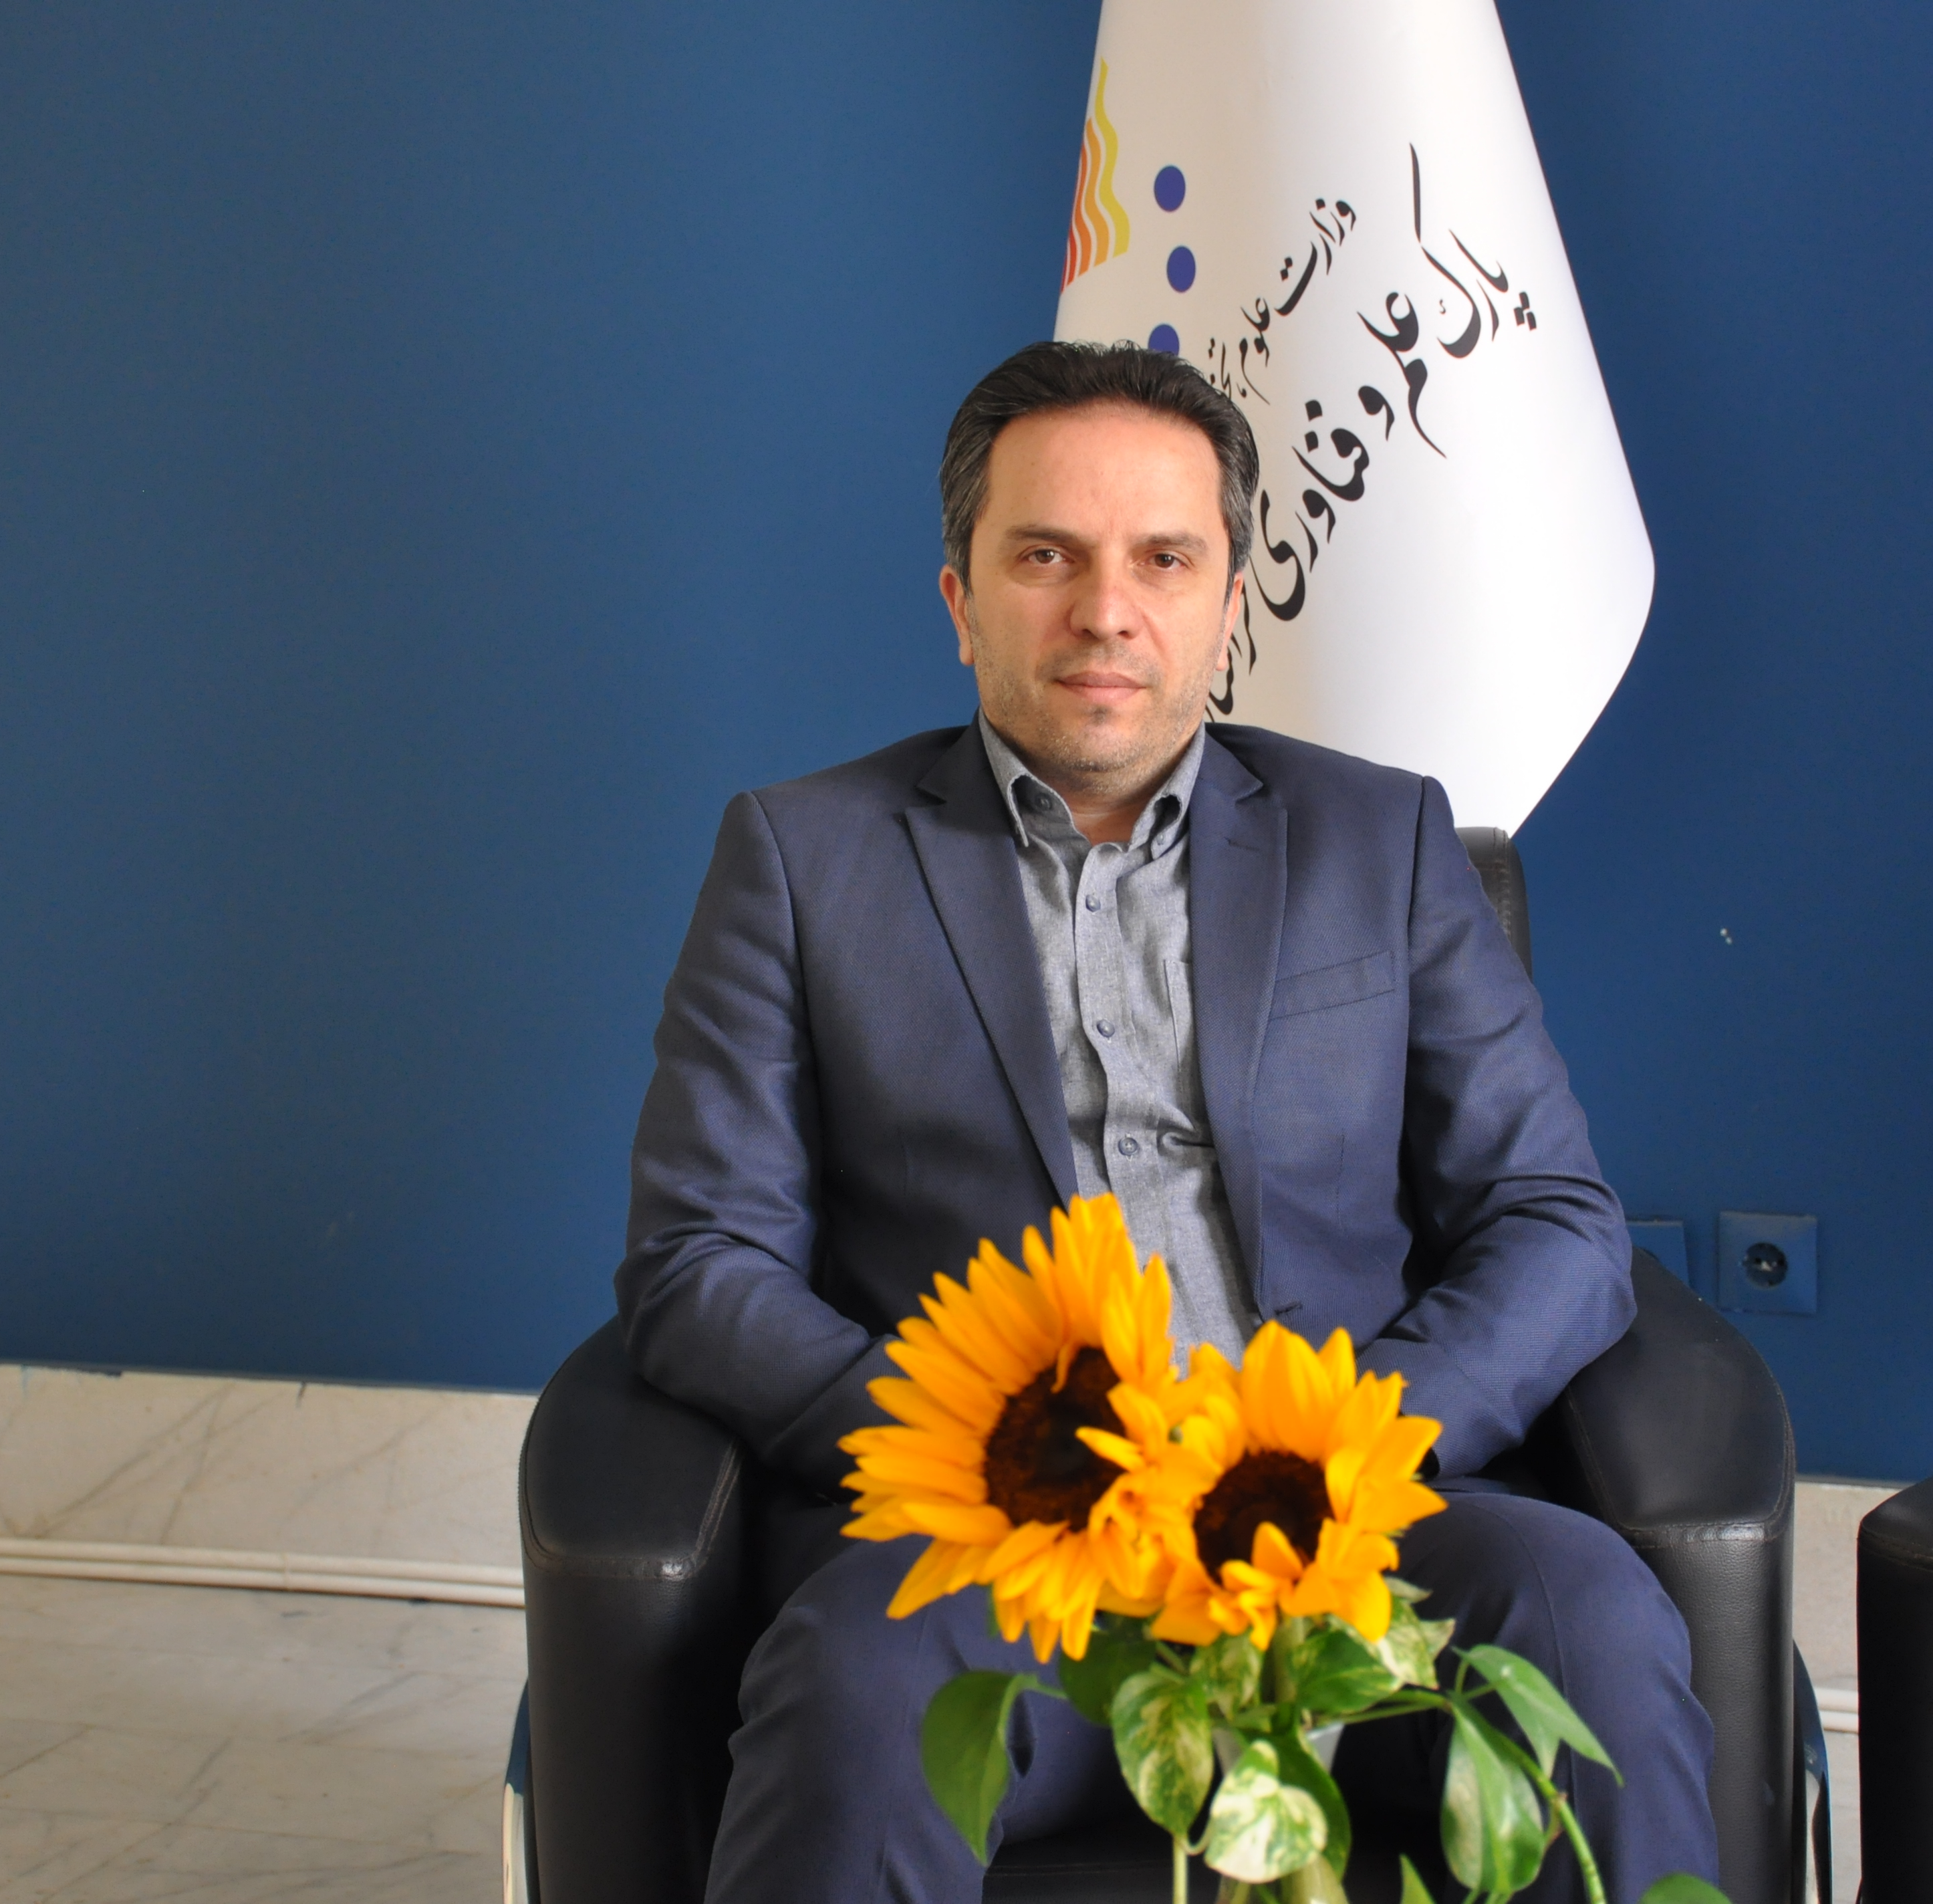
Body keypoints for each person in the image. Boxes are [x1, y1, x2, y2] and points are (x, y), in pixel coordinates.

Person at [619, 340, 1715, 1902]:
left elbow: (1552, 1217)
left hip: (1358, 1526)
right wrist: (971, 1457)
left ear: (1227, 601)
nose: (1105, 609)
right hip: (998, 1563)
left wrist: (1355, 1443)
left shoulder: (1383, 838)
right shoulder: (802, 859)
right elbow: (698, 1260)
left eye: (1162, 558)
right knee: (860, 1687)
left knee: (1584, 1612)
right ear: (961, 600)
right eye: (1044, 556)